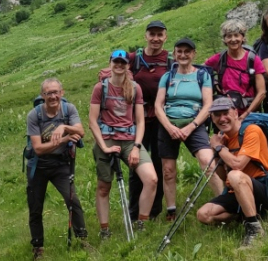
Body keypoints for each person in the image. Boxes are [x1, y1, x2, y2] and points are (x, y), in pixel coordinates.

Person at [89, 49, 159, 237]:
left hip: (129, 141)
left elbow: (140, 121)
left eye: (123, 62)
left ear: (128, 65)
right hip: (106, 139)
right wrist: (104, 147)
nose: (119, 65)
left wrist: (136, 147)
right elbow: (92, 121)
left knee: (151, 179)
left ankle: (142, 223)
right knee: (104, 186)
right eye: (116, 62)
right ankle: (104, 230)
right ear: (110, 63)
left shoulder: (135, 88)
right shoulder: (100, 88)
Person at [153, 37, 221, 221]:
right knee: (168, 170)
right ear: (174, 55)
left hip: (194, 123)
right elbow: (158, 106)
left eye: (187, 52)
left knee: (208, 162)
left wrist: (191, 127)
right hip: (169, 124)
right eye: (179, 52)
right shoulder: (167, 77)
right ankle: (171, 210)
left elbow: (208, 105)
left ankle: (224, 202)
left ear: (193, 54)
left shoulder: (203, 76)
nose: (183, 55)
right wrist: (169, 127)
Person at [196, 97, 268, 246]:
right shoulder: (224, 139)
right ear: (212, 118)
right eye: (217, 115)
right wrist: (217, 152)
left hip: (263, 189)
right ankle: (244, 215)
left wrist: (219, 147)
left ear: (235, 113)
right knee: (203, 215)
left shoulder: (251, 131)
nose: (222, 118)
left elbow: (237, 165)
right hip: (236, 190)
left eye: (225, 113)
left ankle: (254, 228)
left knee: (235, 174)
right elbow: (223, 176)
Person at [26, 78, 88, 259]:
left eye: (55, 92)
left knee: (73, 200)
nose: (53, 96)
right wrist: (64, 139)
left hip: (61, 164)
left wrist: (64, 127)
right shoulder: (34, 115)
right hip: (39, 166)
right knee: (35, 207)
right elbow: (38, 148)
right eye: (48, 93)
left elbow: (81, 131)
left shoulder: (69, 109)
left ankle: (82, 239)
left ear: (62, 92)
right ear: (42, 95)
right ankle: (38, 247)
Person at [126, 20, 172, 222]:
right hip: (137, 119)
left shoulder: (170, 61)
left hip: (161, 118)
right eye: (152, 34)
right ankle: (133, 211)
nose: (155, 38)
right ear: (145, 36)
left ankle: (154, 210)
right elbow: (113, 70)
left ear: (165, 37)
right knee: (136, 163)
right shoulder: (134, 59)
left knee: (159, 163)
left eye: (159, 34)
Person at [204, 19, 267, 114]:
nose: (233, 39)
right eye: (229, 36)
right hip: (225, 113)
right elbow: (199, 71)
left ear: (243, 37)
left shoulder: (253, 60)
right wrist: (214, 81)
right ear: (224, 39)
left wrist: (245, 115)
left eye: (236, 35)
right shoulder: (219, 58)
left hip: (248, 112)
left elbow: (262, 93)